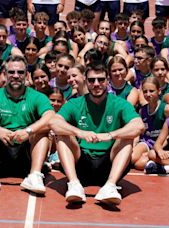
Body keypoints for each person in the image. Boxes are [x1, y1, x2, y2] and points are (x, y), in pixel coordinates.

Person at [50, 61, 144, 205]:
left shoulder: (119, 103)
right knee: (62, 133)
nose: (96, 84)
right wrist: (79, 133)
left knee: (127, 137)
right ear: (85, 81)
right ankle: (74, 184)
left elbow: (138, 126)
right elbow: (54, 123)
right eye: (92, 80)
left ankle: (110, 186)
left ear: (108, 81)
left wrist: (110, 135)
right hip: (81, 163)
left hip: (109, 164)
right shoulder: (75, 103)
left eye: (101, 79)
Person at [0, 55, 55, 194]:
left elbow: (51, 118)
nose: (16, 76)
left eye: (20, 72)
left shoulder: (38, 97)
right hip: (0, 152)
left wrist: (28, 131)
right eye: (11, 72)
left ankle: (35, 175)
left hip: (26, 152)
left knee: (42, 132)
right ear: (4, 74)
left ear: (27, 75)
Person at [132, 77, 169, 170]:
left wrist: (155, 150)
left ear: (159, 91)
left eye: (151, 91)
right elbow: (139, 133)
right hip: (147, 141)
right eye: (145, 91)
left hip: (162, 143)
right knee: (132, 157)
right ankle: (154, 162)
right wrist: (134, 145)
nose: (148, 94)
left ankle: (157, 163)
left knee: (139, 164)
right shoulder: (142, 110)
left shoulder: (167, 109)